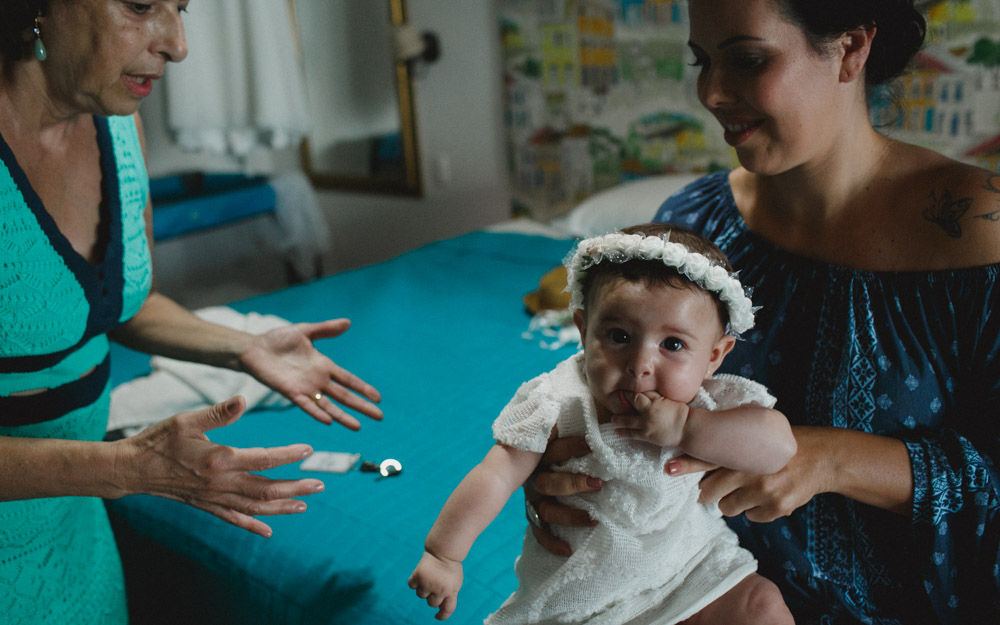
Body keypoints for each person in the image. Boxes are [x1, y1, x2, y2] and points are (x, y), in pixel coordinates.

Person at [528, 1, 1000, 623]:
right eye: (702, 61)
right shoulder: (693, 229)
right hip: (705, 596)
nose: (713, 92)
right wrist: (561, 475)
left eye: (748, 60)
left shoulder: (979, 233)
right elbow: (607, 398)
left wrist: (830, 458)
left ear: (851, 49)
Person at [0, 1, 383, 623]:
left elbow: (123, 303)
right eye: (142, 5)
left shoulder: (119, 126)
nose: (178, 45)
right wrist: (127, 466)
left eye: (181, 9)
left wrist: (240, 346)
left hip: (77, 532)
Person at [409, 223, 797, 624]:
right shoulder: (558, 400)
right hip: (589, 596)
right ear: (583, 329)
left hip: (691, 569)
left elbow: (779, 447)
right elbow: (496, 473)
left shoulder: (707, 401)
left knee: (761, 604)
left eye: (673, 345)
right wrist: (444, 554)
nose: (640, 365)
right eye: (618, 335)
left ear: (715, 355)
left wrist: (689, 428)